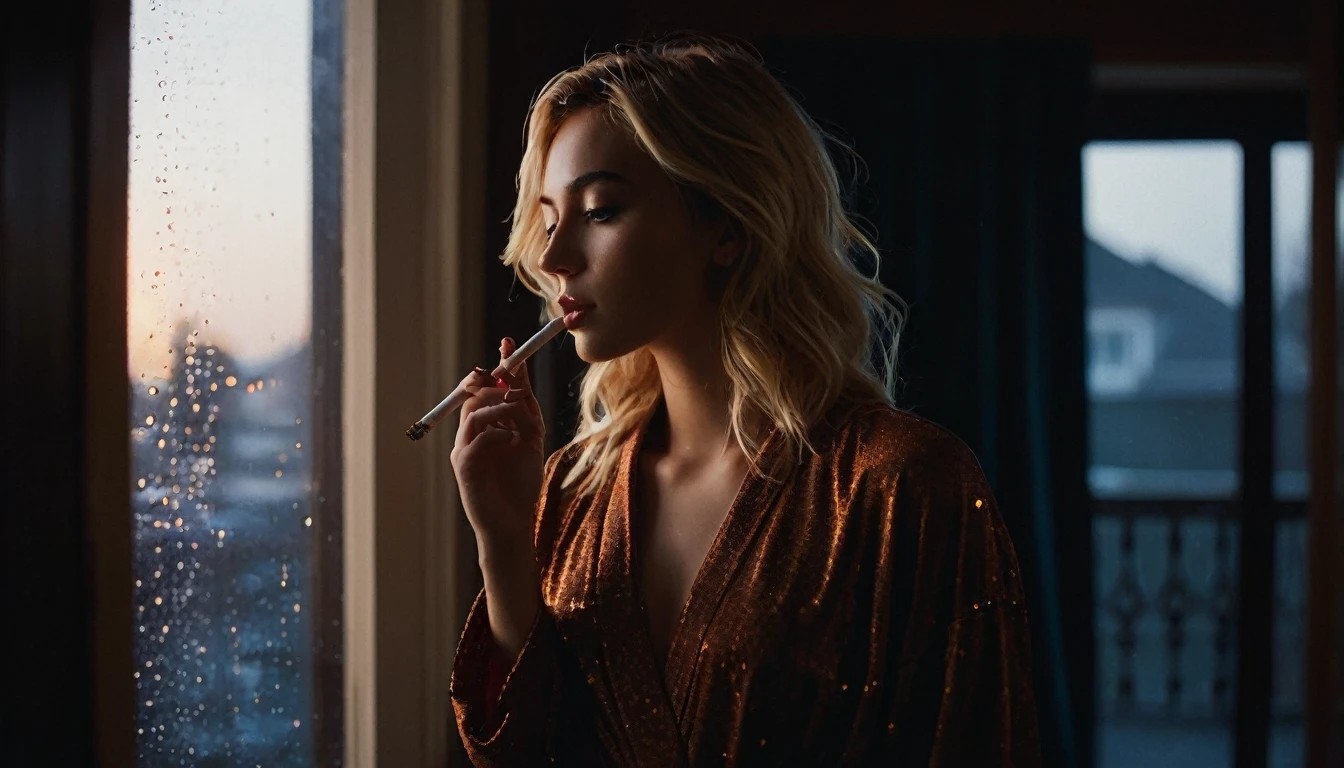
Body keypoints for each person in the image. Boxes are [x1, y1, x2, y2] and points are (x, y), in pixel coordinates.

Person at [447, 34, 1041, 767]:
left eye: (599, 210)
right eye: (546, 218)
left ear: (726, 226)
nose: (552, 256)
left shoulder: (901, 488)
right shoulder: (572, 491)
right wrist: (505, 548)